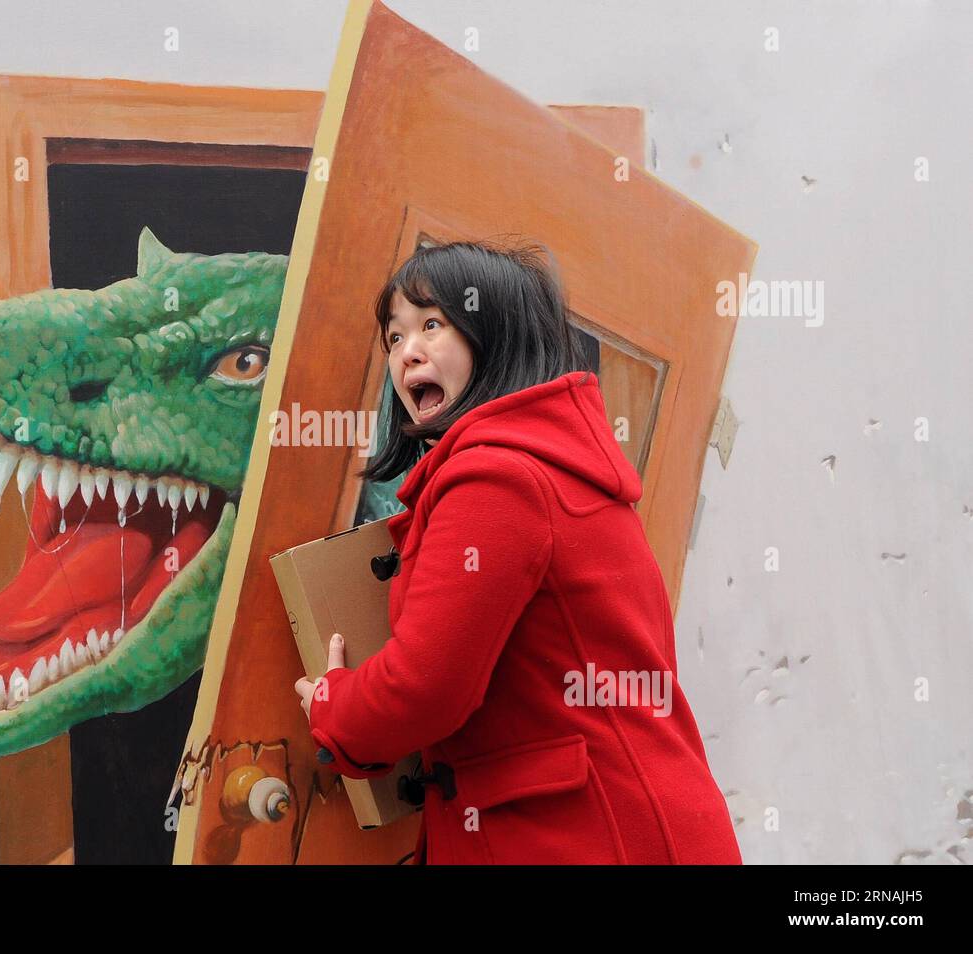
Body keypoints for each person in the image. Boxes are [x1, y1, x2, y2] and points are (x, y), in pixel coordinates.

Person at [292, 238, 741, 865]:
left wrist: (336, 707)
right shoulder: (559, 465)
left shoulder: (496, 479)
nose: (406, 352)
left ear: (493, 334)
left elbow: (427, 686)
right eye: (393, 338)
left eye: (431, 324)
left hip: (592, 837)